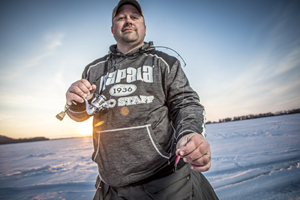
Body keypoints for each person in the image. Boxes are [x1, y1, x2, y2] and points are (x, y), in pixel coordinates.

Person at [65, 0, 218, 199]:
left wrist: (189, 133)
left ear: (144, 28)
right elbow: (81, 115)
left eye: (134, 17)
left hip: (166, 183)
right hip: (111, 186)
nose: (128, 21)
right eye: (121, 18)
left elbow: (186, 104)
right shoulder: (93, 69)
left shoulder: (164, 63)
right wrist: (74, 102)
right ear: (112, 29)